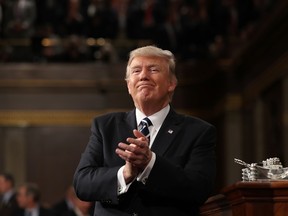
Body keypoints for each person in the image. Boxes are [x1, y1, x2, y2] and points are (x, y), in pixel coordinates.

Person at [73, 45, 216, 216]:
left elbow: (199, 189)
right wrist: (124, 174)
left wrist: (151, 164)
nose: (143, 76)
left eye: (153, 69)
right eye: (136, 71)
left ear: (171, 83)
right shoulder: (105, 126)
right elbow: (82, 184)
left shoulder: (198, 132)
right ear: (128, 86)